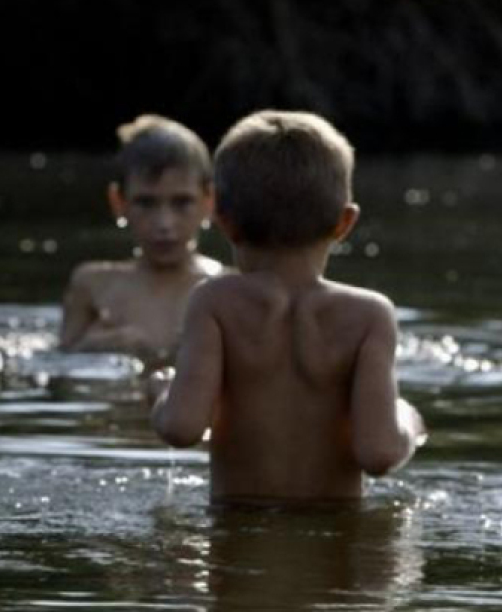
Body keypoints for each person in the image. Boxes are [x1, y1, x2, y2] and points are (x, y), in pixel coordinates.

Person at [150, 110, 426, 503]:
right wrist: (408, 418)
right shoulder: (369, 315)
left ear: (223, 221)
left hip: (236, 537)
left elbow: (180, 427)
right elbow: (380, 453)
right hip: (337, 547)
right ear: (344, 223)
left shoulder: (214, 302)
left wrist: (162, 392)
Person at [60, 115, 222, 367]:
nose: (164, 224)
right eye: (146, 203)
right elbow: (59, 371)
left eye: (182, 203)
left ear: (208, 200)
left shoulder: (226, 289)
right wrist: (91, 349)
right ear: (118, 202)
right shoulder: (93, 286)